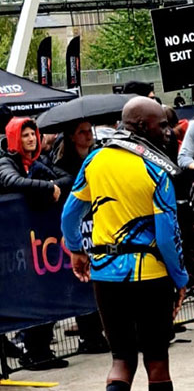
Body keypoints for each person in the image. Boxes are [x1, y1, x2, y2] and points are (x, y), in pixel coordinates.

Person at [61, 97, 191, 391]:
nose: (165, 131)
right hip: (150, 274)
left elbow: (71, 214)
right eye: (158, 125)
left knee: (121, 357)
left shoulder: (96, 160)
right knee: (156, 358)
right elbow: (168, 237)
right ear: (139, 125)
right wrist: (180, 280)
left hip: (105, 273)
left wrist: (76, 250)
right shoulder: (156, 169)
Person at [0, 117, 69, 370]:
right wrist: (46, 187)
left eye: (34, 134)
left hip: (39, 244)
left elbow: (67, 179)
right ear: (15, 138)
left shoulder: (40, 163)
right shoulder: (6, 162)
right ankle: (28, 351)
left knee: (45, 293)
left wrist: (50, 185)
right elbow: (12, 182)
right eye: (26, 135)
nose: (31, 139)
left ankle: (42, 348)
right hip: (13, 245)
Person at [52, 121, 109, 355]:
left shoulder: (98, 157)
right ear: (72, 137)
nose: (88, 136)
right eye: (82, 132)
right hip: (78, 228)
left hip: (98, 224)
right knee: (83, 281)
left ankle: (99, 332)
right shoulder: (62, 164)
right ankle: (89, 334)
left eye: (89, 131)